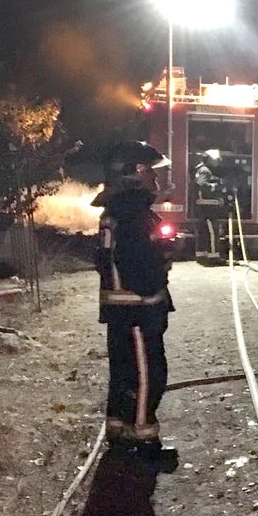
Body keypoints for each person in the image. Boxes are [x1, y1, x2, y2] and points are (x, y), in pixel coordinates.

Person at [92, 142, 178, 467]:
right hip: (138, 310)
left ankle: (119, 431)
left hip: (121, 310)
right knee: (147, 375)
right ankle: (144, 443)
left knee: (123, 374)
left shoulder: (118, 209)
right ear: (137, 171)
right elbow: (138, 264)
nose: (156, 177)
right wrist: (161, 262)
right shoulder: (132, 212)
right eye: (151, 169)